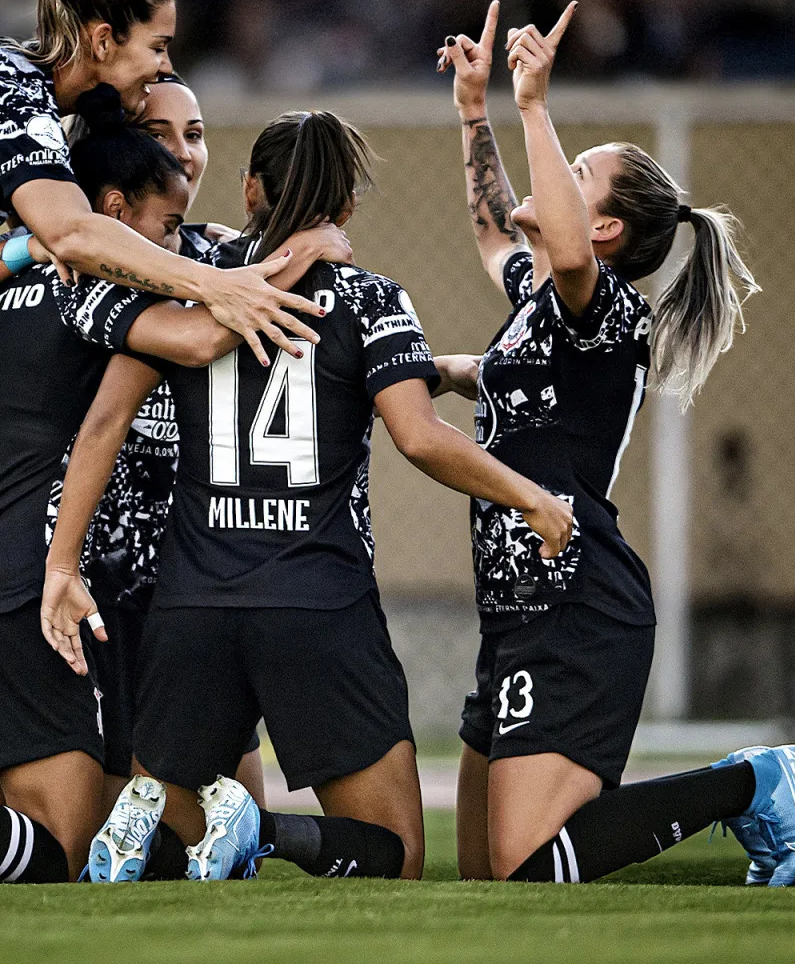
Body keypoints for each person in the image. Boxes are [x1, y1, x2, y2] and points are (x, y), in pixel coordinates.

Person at [43, 108, 573, 884]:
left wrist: (63, 562)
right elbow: (420, 438)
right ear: (348, 208)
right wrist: (529, 496)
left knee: (172, 811)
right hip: (317, 603)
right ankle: (266, 832)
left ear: (249, 189)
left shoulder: (192, 289)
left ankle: (163, 822)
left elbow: (103, 425)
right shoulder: (370, 301)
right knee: (393, 854)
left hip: (193, 603)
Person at [436, 2, 795, 888]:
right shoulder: (546, 305)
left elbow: (565, 256)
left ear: (604, 230)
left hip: (579, 602)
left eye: (577, 174)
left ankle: (753, 782)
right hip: (520, 605)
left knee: (529, 865)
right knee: (483, 883)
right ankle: (750, 785)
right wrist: (473, 109)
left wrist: (533, 103)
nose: (557, 177)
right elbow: (500, 231)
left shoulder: (603, 308)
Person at [0, 86, 336, 883]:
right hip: (57, 574)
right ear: (110, 205)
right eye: (163, 135)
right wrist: (302, 252)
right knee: (73, 837)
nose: (185, 150)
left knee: (157, 828)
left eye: (195, 132)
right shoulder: (88, 286)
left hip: (120, 582)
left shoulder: (25, 264)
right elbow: (196, 336)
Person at [0, 0, 319, 362]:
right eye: (158, 47)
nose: (164, 66)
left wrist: (31, 247)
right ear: (103, 40)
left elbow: (62, 234)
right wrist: (215, 284)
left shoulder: (30, 95)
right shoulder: (14, 91)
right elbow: (73, 232)